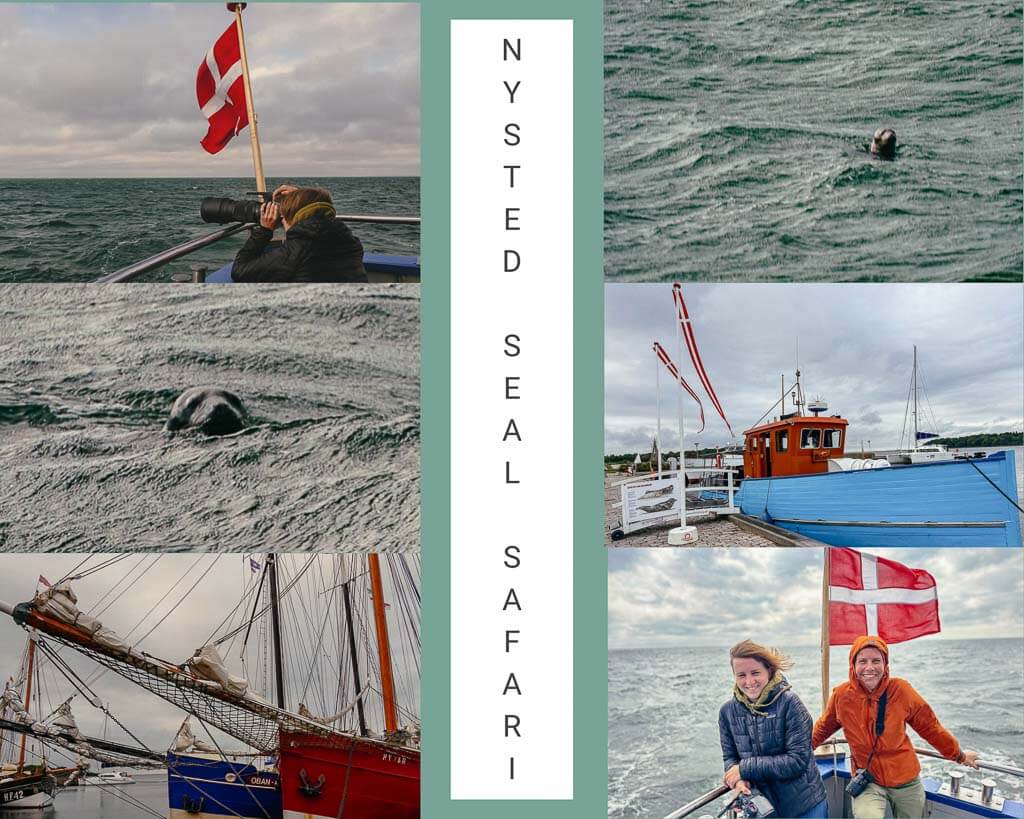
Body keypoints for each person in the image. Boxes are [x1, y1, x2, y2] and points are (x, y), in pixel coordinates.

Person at [812, 635, 980, 819]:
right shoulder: (841, 696)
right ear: (853, 665)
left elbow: (931, 728)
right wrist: (797, 750)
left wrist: (959, 755)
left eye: (876, 661)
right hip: (868, 779)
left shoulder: (901, 690)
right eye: (863, 661)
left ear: (885, 664)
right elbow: (821, 729)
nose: (869, 667)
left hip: (905, 779)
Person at [718, 640, 828, 819]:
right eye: (741, 675)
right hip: (763, 809)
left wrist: (744, 768)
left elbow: (797, 760)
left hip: (804, 805)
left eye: (755, 673)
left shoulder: (791, 704)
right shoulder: (727, 712)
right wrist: (738, 780)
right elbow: (730, 757)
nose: (749, 681)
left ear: (768, 671)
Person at [231, 184, 368, 283]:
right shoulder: (350, 241)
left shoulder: (296, 250)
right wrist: (302, 197)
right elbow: (320, 210)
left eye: (283, 218)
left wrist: (264, 230)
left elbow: (239, 271)